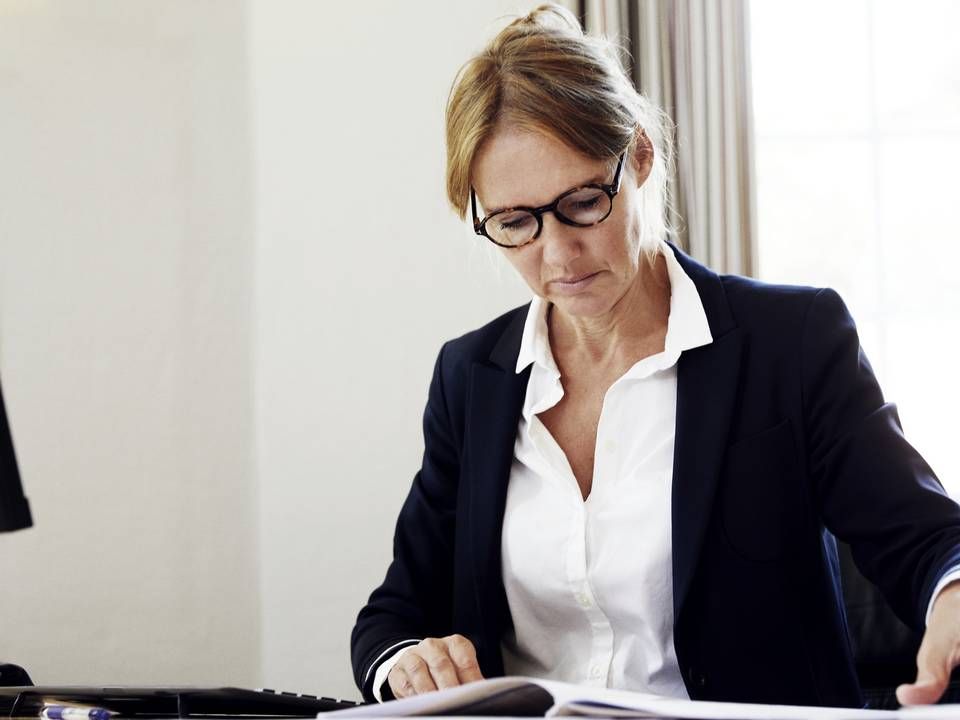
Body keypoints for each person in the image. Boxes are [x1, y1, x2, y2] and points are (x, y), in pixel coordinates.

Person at [350, 4, 960, 708]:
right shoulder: (471, 379)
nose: (557, 253)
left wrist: (952, 592)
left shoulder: (791, 342)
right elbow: (393, 616)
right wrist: (405, 662)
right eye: (515, 223)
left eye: (582, 203)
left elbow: (922, 536)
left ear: (639, 156)